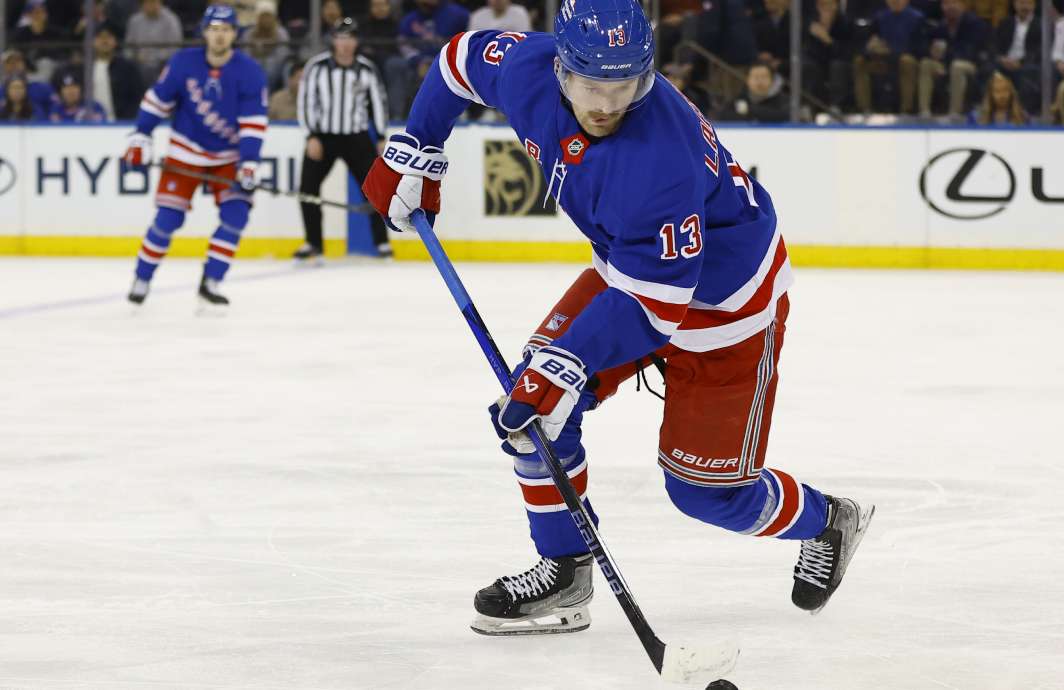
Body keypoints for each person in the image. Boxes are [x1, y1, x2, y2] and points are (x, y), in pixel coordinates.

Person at [362, 0, 875, 635]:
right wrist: (418, 145)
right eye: (590, 85)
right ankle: (565, 571)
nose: (606, 103)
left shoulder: (658, 158)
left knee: (704, 493)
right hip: (634, 271)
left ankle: (827, 519)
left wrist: (566, 363)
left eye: (624, 85)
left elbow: (657, 310)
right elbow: (460, 60)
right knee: (535, 414)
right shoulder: (528, 68)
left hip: (725, 307)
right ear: (560, 69)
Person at [121, 5, 268, 308]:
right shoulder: (183, 62)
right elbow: (157, 101)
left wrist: (250, 162)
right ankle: (142, 278)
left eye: (225, 30)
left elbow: (253, 122)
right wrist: (140, 135)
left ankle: (211, 280)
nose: (219, 35)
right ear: (204, 32)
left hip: (228, 156)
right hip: (185, 151)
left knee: (236, 215)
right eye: (214, 29)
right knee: (167, 219)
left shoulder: (250, 71)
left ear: (234, 34)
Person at [295, 17, 390, 262]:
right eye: (340, 37)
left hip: (356, 137)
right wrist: (311, 135)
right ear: (333, 40)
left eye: (349, 37)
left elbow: (378, 103)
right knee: (308, 189)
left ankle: (382, 243)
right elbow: (306, 102)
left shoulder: (367, 69)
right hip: (323, 137)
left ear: (356, 40)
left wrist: (380, 135)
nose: (345, 43)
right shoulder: (316, 67)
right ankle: (313, 243)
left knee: (374, 190)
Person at [918, 0, 990, 118]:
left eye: (954, 2)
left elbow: (969, 52)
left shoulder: (975, 23)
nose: (950, 6)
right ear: (942, 6)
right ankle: (924, 112)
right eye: (946, 3)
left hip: (972, 64)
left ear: (963, 5)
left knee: (957, 66)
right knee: (926, 63)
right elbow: (924, 45)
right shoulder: (941, 25)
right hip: (947, 63)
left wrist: (945, 58)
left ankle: (954, 113)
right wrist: (931, 52)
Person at [852, 0, 926, 114]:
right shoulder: (880, 17)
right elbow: (871, 40)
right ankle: (864, 108)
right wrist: (870, 49)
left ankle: (906, 109)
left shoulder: (917, 18)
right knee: (860, 61)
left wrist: (892, 51)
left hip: (905, 59)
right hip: (883, 59)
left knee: (906, 61)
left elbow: (919, 48)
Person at [992, 0, 1041, 112]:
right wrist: (1001, 59)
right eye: (1021, 3)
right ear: (1015, 4)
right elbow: (994, 46)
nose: (1025, 7)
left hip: (1027, 64)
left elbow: (1039, 52)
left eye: (1028, 3)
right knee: (989, 68)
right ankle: (990, 111)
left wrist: (1021, 62)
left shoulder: (1041, 25)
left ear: (1034, 5)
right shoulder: (1005, 23)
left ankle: (1023, 112)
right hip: (1005, 63)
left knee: (1029, 71)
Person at [90, 25, 145, 120]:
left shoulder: (128, 68)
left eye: (108, 37)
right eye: (100, 37)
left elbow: (138, 97)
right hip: (88, 124)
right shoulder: (85, 68)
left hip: (119, 124)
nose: (104, 41)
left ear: (115, 41)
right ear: (93, 42)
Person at [127, 0, 186, 84]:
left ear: (160, 2)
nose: (151, 5)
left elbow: (176, 47)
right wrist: (135, 57)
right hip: (139, 63)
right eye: (147, 2)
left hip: (162, 63)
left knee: (153, 69)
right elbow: (128, 46)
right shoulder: (135, 20)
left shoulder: (171, 19)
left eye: (154, 2)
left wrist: (154, 57)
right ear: (142, 4)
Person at [718, 60, 791, 121]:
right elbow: (723, 116)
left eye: (764, 77)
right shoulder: (738, 100)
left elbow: (785, 115)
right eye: (755, 77)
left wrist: (749, 110)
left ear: (771, 80)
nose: (759, 81)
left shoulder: (783, 101)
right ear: (748, 80)